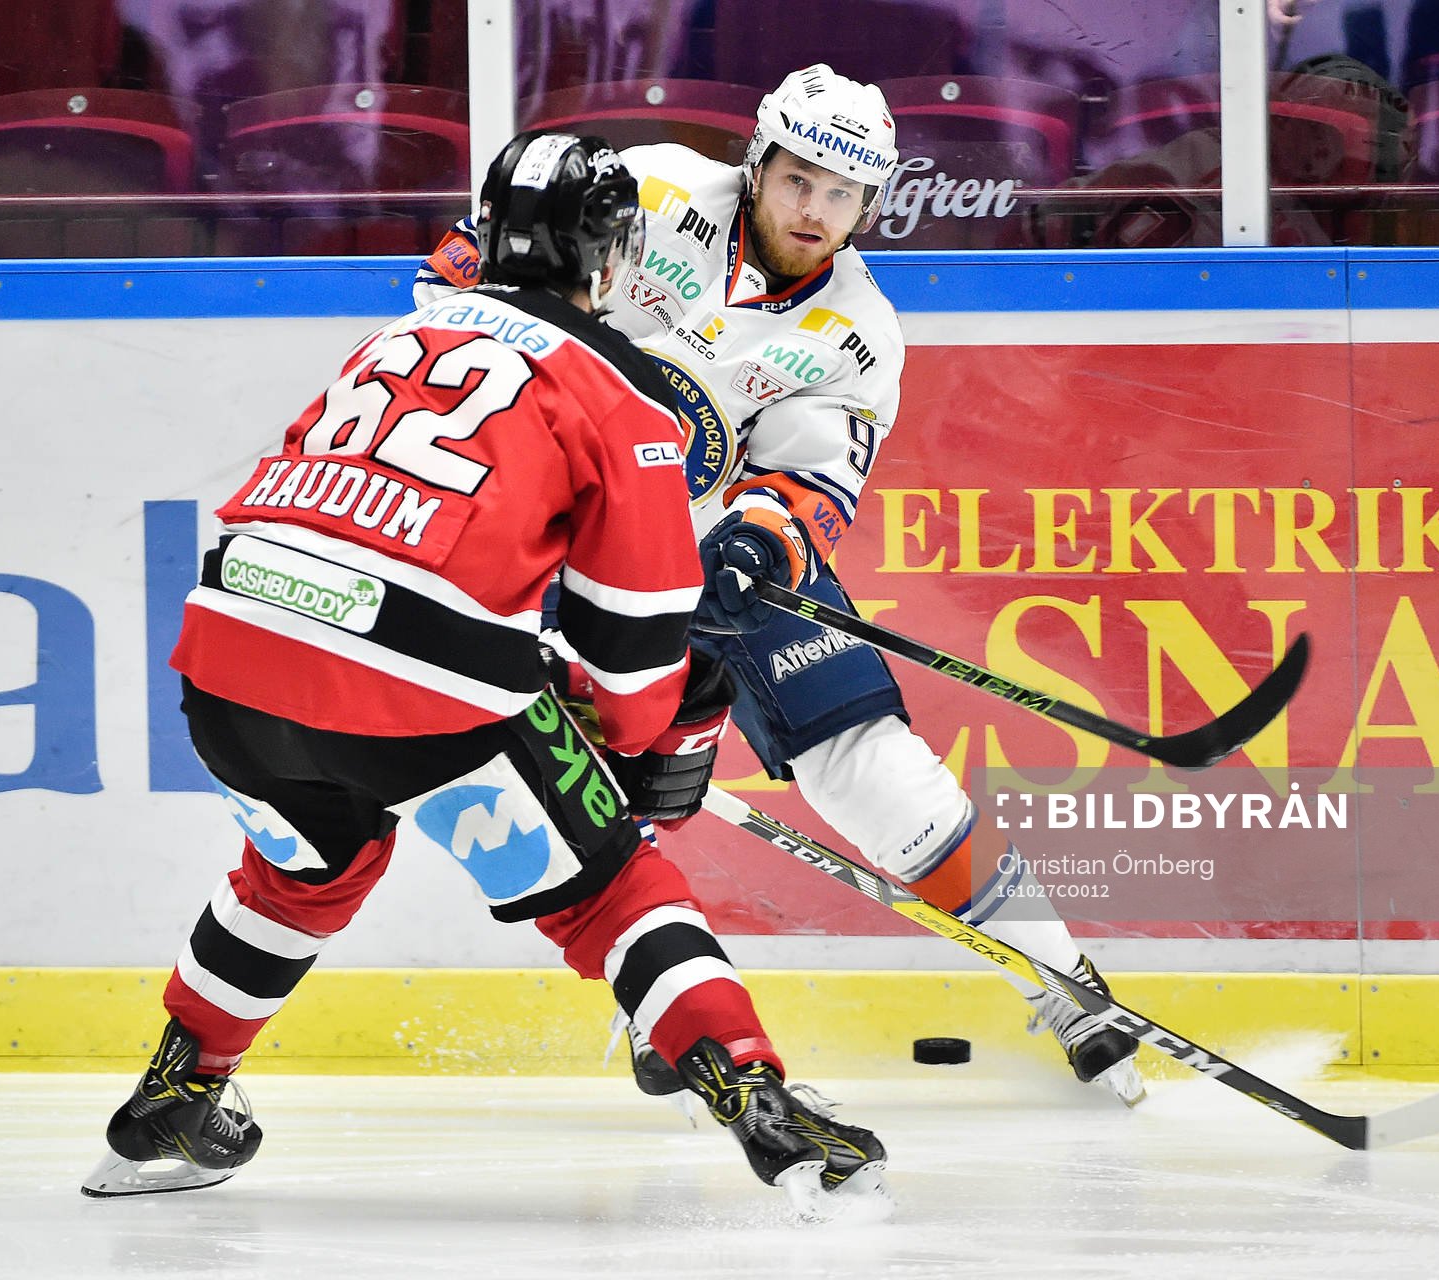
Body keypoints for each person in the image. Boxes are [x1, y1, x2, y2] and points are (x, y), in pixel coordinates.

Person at [81, 130, 887, 1218]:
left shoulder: (396, 333)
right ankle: (760, 1099)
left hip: (228, 646)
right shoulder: (626, 397)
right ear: (612, 258)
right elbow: (639, 656)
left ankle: (176, 1093)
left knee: (303, 872)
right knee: (614, 885)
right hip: (416, 675)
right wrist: (633, 738)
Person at [415, 65, 1145, 1105]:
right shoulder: (653, 189)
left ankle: (1063, 976)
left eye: (844, 193)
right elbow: (469, 259)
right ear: (758, 162)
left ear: (872, 202)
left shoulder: (858, 332)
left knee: (866, 759)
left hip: (710, 548)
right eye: (800, 178)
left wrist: (761, 539)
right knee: (614, 798)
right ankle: (662, 1005)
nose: (816, 210)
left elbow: (807, 480)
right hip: (564, 539)